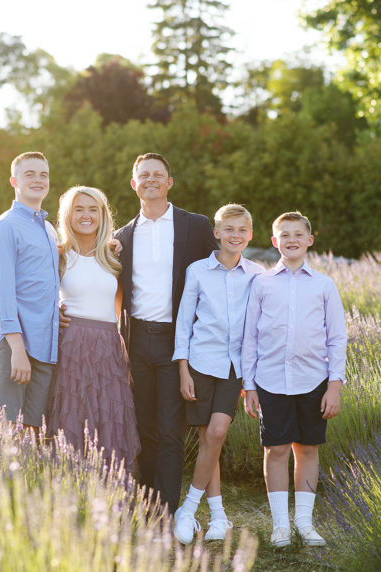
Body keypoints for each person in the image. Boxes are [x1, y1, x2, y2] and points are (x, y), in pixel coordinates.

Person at [114, 153, 219, 514]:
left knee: (171, 431)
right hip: (137, 340)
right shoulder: (121, 237)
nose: (151, 180)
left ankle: (169, 511)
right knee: (144, 428)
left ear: (170, 182)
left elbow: (219, 276)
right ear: (134, 184)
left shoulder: (196, 226)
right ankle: (147, 504)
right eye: (144, 175)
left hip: (180, 343)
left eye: (158, 175)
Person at [242, 211, 347, 548]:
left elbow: (337, 338)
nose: (291, 240)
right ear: (274, 242)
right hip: (270, 380)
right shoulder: (261, 284)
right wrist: (249, 386)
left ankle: (304, 522)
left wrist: (334, 385)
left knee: (308, 449)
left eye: (298, 234)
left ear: (309, 240)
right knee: (276, 449)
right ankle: (281, 526)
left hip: (313, 380)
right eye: (284, 235)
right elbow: (249, 340)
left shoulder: (324, 285)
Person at [171, 204, 265, 544]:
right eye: (229, 229)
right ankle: (219, 516)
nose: (235, 235)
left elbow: (259, 327)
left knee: (218, 432)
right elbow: (183, 324)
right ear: (217, 232)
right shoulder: (197, 271)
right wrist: (183, 370)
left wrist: (253, 378)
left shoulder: (257, 274)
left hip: (234, 368)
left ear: (250, 234)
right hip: (200, 364)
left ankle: (188, 508)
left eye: (241, 229)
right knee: (208, 437)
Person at [47, 186, 140, 472]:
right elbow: (38, 296)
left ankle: (108, 490)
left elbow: (119, 305)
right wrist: (54, 315)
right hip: (72, 343)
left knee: (108, 416)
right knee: (72, 416)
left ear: (102, 215)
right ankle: (70, 489)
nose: (86, 215)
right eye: (78, 209)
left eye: (93, 209)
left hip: (108, 346)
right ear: (67, 215)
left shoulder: (113, 256)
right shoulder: (59, 254)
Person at [0, 151, 60, 431]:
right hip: (14, 345)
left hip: (44, 346)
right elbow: (1, 295)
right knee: (4, 432)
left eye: (44, 174)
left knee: (31, 435)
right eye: (30, 174)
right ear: (14, 181)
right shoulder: (6, 227)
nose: (38, 180)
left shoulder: (48, 229)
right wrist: (17, 349)